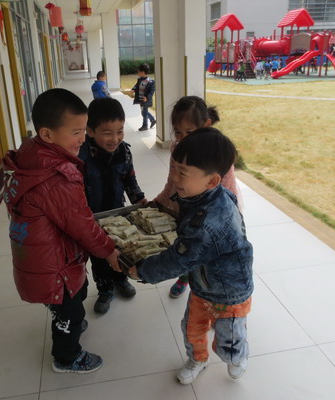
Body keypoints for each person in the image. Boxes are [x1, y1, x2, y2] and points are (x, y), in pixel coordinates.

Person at [0, 88, 120, 374]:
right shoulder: (57, 178)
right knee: (72, 310)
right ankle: (66, 357)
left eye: (84, 130)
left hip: (40, 253)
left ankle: (64, 315)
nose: (83, 138)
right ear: (47, 134)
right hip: (53, 264)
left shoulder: (31, 153)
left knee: (75, 293)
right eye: (76, 132)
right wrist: (109, 251)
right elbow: (81, 223)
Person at [124, 128, 254, 385]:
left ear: (212, 181)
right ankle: (198, 358)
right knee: (191, 328)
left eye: (182, 172)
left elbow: (179, 260)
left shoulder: (209, 224)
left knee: (229, 338)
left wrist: (143, 271)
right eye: (174, 168)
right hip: (203, 286)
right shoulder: (202, 196)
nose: (175, 177)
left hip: (230, 292)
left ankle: (237, 356)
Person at [154, 96, 243, 299]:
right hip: (187, 206)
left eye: (190, 132)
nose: (183, 138)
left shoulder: (217, 153)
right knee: (187, 245)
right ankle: (185, 277)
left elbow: (227, 192)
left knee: (207, 251)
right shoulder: (177, 148)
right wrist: (160, 201)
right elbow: (173, 181)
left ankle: (208, 288)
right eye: (178, 132)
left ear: (206, 125)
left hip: (214, 213)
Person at [78, 97, 146, 314]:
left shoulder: (124, 152)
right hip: (92, 219)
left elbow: (130, 180)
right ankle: (105, 289)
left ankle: (120, 280)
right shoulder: (80, 157)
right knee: (99, 257)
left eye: (120, 131)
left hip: (118, 214)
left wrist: (139, 200)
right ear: (90, 131)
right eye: (107, 133)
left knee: (121, 250)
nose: (115, 139)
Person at [131, 63, 156, 131]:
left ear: (142, 72)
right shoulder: (140, 79)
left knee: (144, 112)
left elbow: (151, 92)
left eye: (138, 71)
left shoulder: (150, 82)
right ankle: (152, 120)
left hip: (145, 100)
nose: (138, 73)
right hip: (140, 99)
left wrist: (147, 97)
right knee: (143, 112)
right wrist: (133, 89)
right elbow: (136, 86)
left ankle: (145, 125)